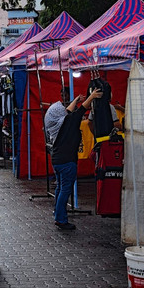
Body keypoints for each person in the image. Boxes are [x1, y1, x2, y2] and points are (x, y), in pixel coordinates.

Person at [52, 88, 102, 230]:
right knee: (64, 190)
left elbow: (68, 110)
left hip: (57, 160)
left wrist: (76, 100)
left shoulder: (59, 123)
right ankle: (60, 219)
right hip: (67, 161)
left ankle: (58, 212)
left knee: (60, 188)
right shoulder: (70, 121)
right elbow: (81, 110)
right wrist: (91, 96)